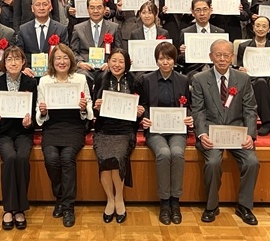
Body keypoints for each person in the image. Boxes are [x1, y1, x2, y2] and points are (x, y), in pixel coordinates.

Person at [192, 39, 260, 226]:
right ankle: (211, 206)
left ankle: (244, 206)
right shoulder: (199, 79)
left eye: (226, 55)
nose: (222, 59)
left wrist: (250, 134)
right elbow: (198, 110)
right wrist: (202, 134)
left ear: (232, 57)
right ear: (211, 56)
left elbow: (250, 109)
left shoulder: (243, 79)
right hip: (211, 133)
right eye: (218, 55)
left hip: (237, 132)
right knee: (213, 162)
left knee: (252, 162)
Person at [37, 44, 93, 228]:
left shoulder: (80, 79)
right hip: (52, 127)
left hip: (74, 126)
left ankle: (68, 207)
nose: (62, 62)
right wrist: (42, 111)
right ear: (52, 61)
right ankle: (60, 197)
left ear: (71, 60)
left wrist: (84, 108)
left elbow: (88, 105)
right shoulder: (45, 81)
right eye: (58, 58)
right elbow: (39, 109)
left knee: (67, 158)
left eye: (65, 58)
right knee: (51, 159)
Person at [0, 46, 37, 230]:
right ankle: (8, 208)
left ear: (23, 62)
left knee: (22, 158)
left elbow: (34, 113)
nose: (13, 63)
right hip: (3, 132)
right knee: (10, 157)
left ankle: (20, 208)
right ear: (4, 63)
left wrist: (29, 122)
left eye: (17, 59)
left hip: (23, 132)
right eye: (9, 59)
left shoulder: (31, 82)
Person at [141, 41, 192, 225]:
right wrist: (144, 118)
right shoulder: (147, 80)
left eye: (169, 58)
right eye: (161, 58)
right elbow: (143, 105)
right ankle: (164, 202)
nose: (165, 62)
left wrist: (189, 117)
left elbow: (188, 106)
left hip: (177, 129)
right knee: (163, 153)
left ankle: (175, 201)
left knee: (177, 153)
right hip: (155, 129)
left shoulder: (183, 80)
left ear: (174, 60)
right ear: (156, 60)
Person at [93, 49, 145, 224]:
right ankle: (110, 199)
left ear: (127, 64)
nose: (117, 65)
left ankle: (119, 198)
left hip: (125, 130)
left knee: (116, 158)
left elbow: (143, 105)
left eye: (121, 61)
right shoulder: (100, 79)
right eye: (113, 60)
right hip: (104, 130)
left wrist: (140, 112)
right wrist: (96, 107)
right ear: (108, 62)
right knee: (105, 159)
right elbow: (93, 108)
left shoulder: (135, 81)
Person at [236, 16, 270, 138]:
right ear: (253, 28)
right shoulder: (244, 46)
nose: (260, 29)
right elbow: (239, 65)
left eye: (264, 26)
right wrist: (242, 69)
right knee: (260, 82)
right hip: (253, 78)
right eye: (258, 26)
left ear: (269, 29)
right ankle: (267, 122)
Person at [70, 0, 123, 91]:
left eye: (99, 7)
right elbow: (73, 51)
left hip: (106, 67)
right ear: (87, 9)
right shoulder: (78, 28)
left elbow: (119, 50)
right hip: (85, 67)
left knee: (108, 76)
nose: (95, 11)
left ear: (105, 9)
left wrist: (110, 63)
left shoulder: (114, 28)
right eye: (92, 8)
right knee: (82, 76)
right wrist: (80, 63)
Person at [15, 0, 69, 68]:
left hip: (53, 70)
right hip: (29, 71)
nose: (41, 8)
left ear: (50, 7)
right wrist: (24, 68)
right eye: (37, 5)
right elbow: (19, 53)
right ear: (32, 8)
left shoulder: (61, 29)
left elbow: (65, 54)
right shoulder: (23, 29)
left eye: (45, 4)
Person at [177, 0, 224, 79]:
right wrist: (183, 54)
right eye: (198, 10)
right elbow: (179, 60)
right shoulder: (186, 32)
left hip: (216, 70)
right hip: (194, 71)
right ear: (192, 13)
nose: (202, 13)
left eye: (205, 9)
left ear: (210, 10)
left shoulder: (220, 32)